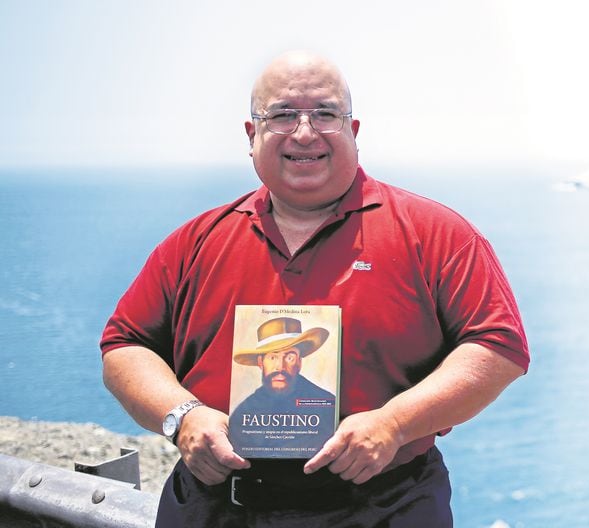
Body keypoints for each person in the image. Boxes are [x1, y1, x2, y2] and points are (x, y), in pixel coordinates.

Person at [101, 50, 529, 527]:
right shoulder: (195, 242)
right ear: (252, 135)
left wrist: (394, 424)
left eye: (325, 114)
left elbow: (498, 347)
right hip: (216, 507)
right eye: (282, 115)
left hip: (383, 509)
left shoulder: (436, 234)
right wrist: (183, 416)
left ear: (353, 131)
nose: (304, 133)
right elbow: (125, 345)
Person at [229, 316, 337, 456]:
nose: (280, 367)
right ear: (261, 362)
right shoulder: (242, 413)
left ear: (299, 362)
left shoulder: (327, 406)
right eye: (273, 357)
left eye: (290, 357)